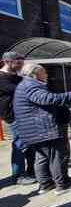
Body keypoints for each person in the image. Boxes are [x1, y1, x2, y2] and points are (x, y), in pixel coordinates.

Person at [14, 63, 71, 195]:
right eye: (44, 72)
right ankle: (63, 184)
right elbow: (48, 99)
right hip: (43, 129)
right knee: (57, 156)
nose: (47, 74)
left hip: (35, 130)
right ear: (35, 74)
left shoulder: (25, 85)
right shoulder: (31, 85)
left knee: (41, 157)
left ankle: (46, 184)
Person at [0, 52, 36, 185]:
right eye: (18, 62)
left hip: (24, 114)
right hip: (14, 116)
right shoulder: (1, 78)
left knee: (30, 143)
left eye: (22, 62)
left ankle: (32, 170)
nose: (21, 65)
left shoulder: (17, 76)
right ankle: (18, 176)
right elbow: (22, 91)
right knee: (19, 145)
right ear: (8, 62)